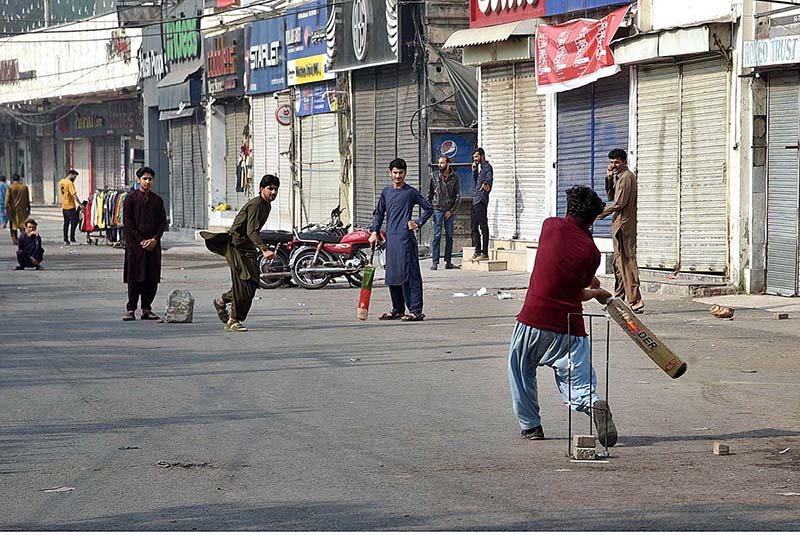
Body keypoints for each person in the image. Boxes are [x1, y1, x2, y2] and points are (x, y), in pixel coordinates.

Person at [508, 185, 618, 447]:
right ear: (592, 220)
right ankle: (592, 403)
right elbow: (578, 292)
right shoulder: (592, 252)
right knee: (578, 381)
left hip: (534, 320)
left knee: (521, 370)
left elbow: (561, 265)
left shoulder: (550, 227)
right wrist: (597, 292)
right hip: (570, 327)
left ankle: (531, 426)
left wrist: (591, 288)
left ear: (568, 209)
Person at [202, 174, 280, 333]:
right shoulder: (256, 205)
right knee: (242, 283)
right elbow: (251, 231)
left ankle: (221, 301)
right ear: (261, 189)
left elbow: (253, 232)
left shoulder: (267, 206)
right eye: (270, 188)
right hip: (236, 247)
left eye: (275, 189)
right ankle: (233, 320)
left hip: (248, 248)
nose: (273, 192)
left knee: (252, 284)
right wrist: (264, 249)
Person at [369, 158, 434, 322]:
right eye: (395, 173)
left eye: (401, 173)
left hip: (406, 239)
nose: (398, 176)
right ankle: (397, 308)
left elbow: (428, 208)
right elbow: (379, 214)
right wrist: (374, 232)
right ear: (390, 173)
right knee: (393, 274)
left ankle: (415, 310)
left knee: (410, 275)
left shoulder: (410, 192)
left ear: (405, 173)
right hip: (390, 239)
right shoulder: (386, 192)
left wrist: (417, 223)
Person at [598, 148, 643, 312]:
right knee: (618, 264)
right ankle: (618, 300)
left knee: (626, 261)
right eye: (611, 162)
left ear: (624, 161)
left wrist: (601, 213)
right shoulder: (619, 177)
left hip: (624, 225)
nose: (613, 165)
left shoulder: (626, 178)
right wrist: (609, 178)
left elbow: (619, 203)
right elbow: (611, 197)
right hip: (619, 223)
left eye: (616, 162)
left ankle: (635, 300)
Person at [122, 167, 167, 321]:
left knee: (151, 277)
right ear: (138, 180)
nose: (147, 182)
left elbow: (162, 223)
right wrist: (140, 240)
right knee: (134, 277)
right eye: (144, 179)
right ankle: (131, 309)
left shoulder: (157, 200)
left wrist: (155, 239)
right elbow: (127, 222)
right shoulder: (130, 199)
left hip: (153, 246)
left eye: (150, 179)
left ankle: (146, 308)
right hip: (135, 246)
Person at [427, 155, 460, 270]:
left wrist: (451, 211)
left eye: (442, 163)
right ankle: (435, 261)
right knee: (436, 235)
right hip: (437, 209)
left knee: (449, 236)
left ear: (448, 164)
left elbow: (457, 196)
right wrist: (430, 209)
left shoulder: (454, 178)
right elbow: (429, 194)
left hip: (448, 211)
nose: (440, 165)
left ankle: (448, 261)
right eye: (439, 163)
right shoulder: (434, 176)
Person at [470, 147, 492, 261]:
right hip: (475, 199)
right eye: (474, 157)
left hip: (481, 200)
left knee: (483, 226)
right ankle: (477, 250)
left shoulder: (487, 168)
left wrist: (486, 185)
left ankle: (484, 252)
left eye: (477, 157)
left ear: (482, 156)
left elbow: (489, 180)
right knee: (473, 226)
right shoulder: (480, 169)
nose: (475, 159)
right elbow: (476, 183)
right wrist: (474, 171)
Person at [5, 173, 30, 245]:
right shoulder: (24, 187)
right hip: (23, 209)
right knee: (23, 225)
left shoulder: (10, 187)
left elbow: (7, 198)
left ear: (13, 179)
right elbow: (27, 199)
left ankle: (15, 240)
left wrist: (6, 207)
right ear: (19, 179)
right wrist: (28, 207)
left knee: (13, 225)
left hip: (13, 210)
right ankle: (23, 238)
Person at [59, 169, 80, 245]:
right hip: (70, 206)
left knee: (66, 223)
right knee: (74, 222)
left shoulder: (62, 182)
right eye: (74, 177)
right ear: (71, 174)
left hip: (64, 206)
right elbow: (74, 195)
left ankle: (65, 239)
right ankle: (72, 239)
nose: (74, 179)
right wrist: (80, 204)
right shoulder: (69, 183)